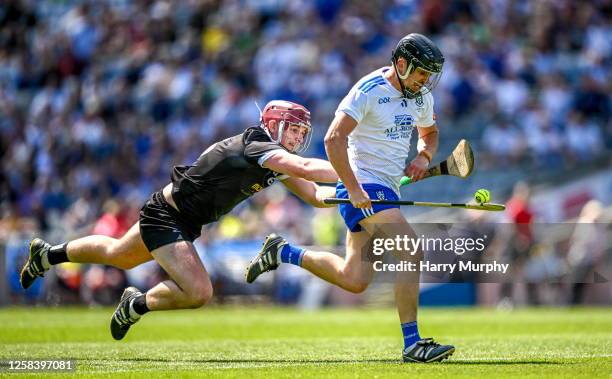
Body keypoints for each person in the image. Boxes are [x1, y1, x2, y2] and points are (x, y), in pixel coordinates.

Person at [20, 100, 338, 340]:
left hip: (185, 221)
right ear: (274, 125)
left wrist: (354, 191)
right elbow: (308, 168)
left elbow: (315, 196)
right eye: (293, 129)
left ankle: (48, 255)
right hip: (167, 214)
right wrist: (354, 175)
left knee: (118, 255)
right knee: (199, 292)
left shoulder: (277, 161)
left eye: (301, 132)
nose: (298, 137)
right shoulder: (257, 145)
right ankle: (138, 304)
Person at [246, 34, 455, 363]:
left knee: (353, 279)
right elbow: (333, 139)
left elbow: (429, 134)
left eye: (430, 75)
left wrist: (424, 157)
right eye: (421, 73)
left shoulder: (420, 97)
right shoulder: (368, 91)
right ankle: (413, 344)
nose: (425, 80)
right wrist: (354, 188)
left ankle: (283, 251)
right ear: (401, 64)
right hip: (362, 185)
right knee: (411, 251)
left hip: (386, 189)